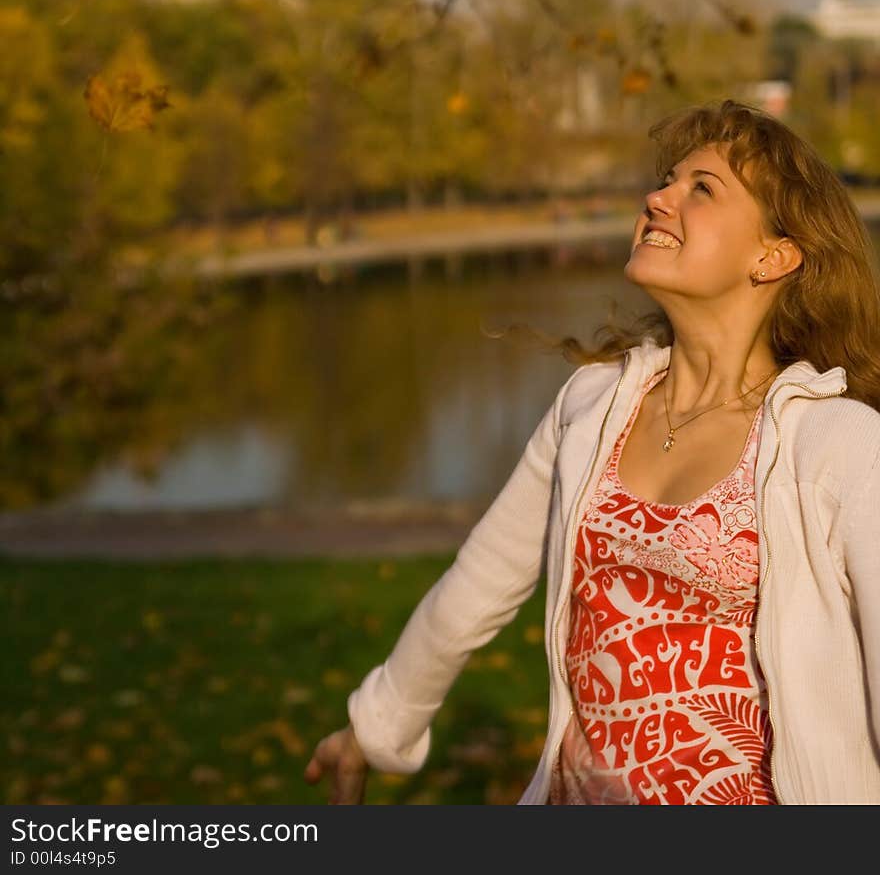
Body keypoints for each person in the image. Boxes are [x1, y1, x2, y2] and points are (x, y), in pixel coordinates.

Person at [303, 98, 880, 805]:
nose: (657, 198)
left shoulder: (838, 446)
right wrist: (374, 727)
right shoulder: (593, 405)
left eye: (702, 188)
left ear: (774, 255)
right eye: (667, 180)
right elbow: (480, 582)